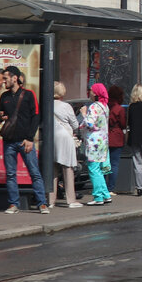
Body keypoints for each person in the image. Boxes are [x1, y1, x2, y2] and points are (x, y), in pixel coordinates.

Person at [0, 65, 48, 214]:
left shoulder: (28, 94)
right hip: (9, 141)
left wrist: (29, 138)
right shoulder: (4, 96)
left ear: (15, 78)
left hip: (24, 141)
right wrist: (0, 116)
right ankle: (14, 204)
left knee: (34, 172)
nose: (3, 81)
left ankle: (42, 203)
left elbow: (36, 116)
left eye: (5, 78)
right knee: (11, 174)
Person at [50, 81, 82, 209]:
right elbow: (75, 124)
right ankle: (71, 200)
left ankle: (50, 200)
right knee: (67, 168)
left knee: (52, 170)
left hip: (51, 137)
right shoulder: (66, 106)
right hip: (64, 137)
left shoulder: (47, 104)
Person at [80, 83, 112, 206]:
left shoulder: (94, 107)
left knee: (94, 169)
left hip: (94, 142)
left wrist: (84, 113)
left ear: (96, 93)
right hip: (103, 141)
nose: (90, 93)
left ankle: (98, 197)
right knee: (98, 169)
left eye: (92, 91)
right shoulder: (105, 106)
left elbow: (90, 123)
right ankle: (105, 194)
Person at [106, 85, 128, 195]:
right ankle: (111, 188)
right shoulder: (119, 109)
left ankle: (104, 186)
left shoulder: (105, 106)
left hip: (105, 137)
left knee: (105, 163)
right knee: (114, 164)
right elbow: (123, 124)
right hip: (117, 137)